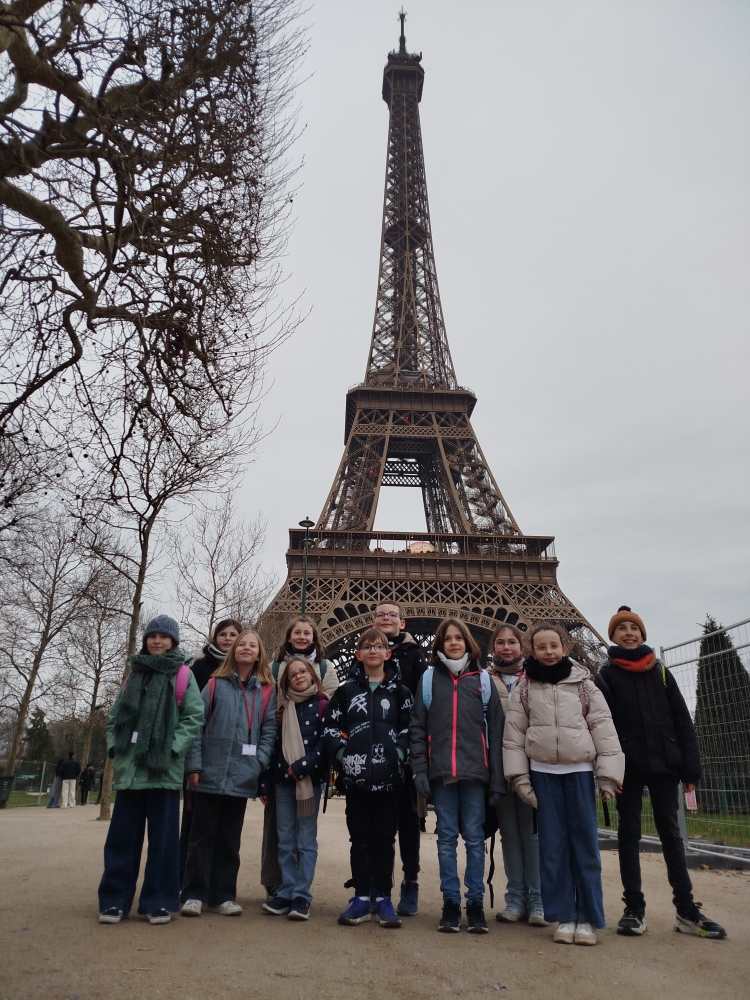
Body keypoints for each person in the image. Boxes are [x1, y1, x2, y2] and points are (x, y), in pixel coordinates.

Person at [595, 606, 726, 939]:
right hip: (628, 767)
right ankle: (634, 909)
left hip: (666, 765)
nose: (628, 632)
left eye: (633, 628)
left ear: (642, 634)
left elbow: (683, 721)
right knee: (629, 833)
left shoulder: (661, 673)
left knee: (671, 835)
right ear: (612, 636)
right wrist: (608, 772)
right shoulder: (605, 676)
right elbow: (600, 726)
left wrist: (690, 770)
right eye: (621, 628)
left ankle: (686, 910)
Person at [503, 623, 624, 947]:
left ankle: (587, 917)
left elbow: (603, 728)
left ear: (565, 648)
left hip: (580, 772)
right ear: (532, 651)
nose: (548, 652)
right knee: (552, 850)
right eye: (541, 647)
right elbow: (513, 738)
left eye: (553, 646)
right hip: (543, 774)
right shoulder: (525, 688)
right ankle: (564, 915)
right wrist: (519, 778)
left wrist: (608, 775)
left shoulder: (584, 684)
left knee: (585, 848)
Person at [97, 615, 204, 925]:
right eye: (152, 635)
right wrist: (115, 750)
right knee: (121, 840)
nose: (157, 640)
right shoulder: (133, 675)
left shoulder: (183, 674)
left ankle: (158, 900)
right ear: (146, 639)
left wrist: (171, 749)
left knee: (164, 842)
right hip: (131, 770)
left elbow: (193, 717)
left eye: (164, 636)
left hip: (162, 771)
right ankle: (114, 901)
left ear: (173, 641)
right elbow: (114, 718)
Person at [410, 617, 505, 934]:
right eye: (448, 638)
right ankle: (451, 903)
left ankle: (475, 905)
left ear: (468, 642)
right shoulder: (427, 680)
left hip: (476, 772)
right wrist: (420, 770)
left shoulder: (483, 681)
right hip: (442, 773)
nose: (453, 642)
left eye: (459, 638)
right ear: (440, 644)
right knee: (447, 839)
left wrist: (497, 779)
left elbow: (496, 732)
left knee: (475, 841)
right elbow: (417, 729)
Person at [181, 630, 276, 918]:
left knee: (229, 839)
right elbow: (196, 725)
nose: (247, 649)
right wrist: (194, 765)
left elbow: (270, 730)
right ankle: (194, 893)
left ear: (259, 654)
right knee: (201, 837)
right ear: (234, 650)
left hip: (241, 774)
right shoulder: (213, 684)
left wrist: (258, 762)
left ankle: (223, 894)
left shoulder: (266, 691)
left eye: (252, 645)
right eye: (241, 645)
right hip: (210, 771)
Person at [323, 627, 412, 929]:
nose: (372, 650)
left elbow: (410, 729)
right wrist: (343, 755)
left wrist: (398, 755)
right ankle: (362, 896)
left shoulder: (401, 692)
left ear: (388, 654)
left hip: (388, 779)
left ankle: (384, 897)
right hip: (357, 779)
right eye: (366, 646)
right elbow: (330, 727)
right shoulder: (346, 691)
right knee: (360, 839)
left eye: (379, 646)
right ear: (358, 654)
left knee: (385, 840)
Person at [261, 616, 339, 902]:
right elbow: (266, 711)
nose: (302, 636)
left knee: (304, 837)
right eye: (297, 632)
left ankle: (300, 893)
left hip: (309, 768)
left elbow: (331, 713)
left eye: (307, 632)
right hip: (282, 763)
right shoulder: (274, 667)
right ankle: (280, 887)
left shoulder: (325, 670)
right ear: (289, 636)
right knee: (282, 834)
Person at [260, 657, 329, 920]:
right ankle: (286, 891)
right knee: (285, 840)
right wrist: (266, 781)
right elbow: (276, 749)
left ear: (312, 674)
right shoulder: (283, 709)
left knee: (305, 840)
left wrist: (303, 765)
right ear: (286, 682)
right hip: (282, 783)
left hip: (308, 781)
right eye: (292, 675)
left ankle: (301, 895)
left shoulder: (323, 704)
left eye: (303, 672)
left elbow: (326, 743)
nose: (298, 677)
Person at [487, 623, 546, 927]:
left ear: (522, 648)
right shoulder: (484, 680)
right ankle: (515, 898)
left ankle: (538, 899)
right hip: (499, 767)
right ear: (493, 647)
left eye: (512, 642)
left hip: (532, 765)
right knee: (509, 834)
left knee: (533, 835)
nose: (506, 647)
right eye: (500, 642)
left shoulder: (538, 677)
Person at [371, 601, 428, 916]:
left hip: (404, 750)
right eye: (381, 614)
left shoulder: (414, 657)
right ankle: (380, 884)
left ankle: (410, 880)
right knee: (378, 821)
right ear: (373, 621)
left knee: (407, 818)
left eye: (393, 615)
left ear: (402, 624)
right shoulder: (365, 655)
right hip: (373, 750)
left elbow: (424, 703)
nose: (387, 619)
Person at [179, 618, 242, 880]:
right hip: (202, 756)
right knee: (196, 825)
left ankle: (219, 887)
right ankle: (186, 880)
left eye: (233, 635)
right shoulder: (199, 668)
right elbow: (191, 714)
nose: (227, 638)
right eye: (223, 634)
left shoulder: (246, 670)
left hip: (233, 759)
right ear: (215, 637)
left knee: (227, 830)